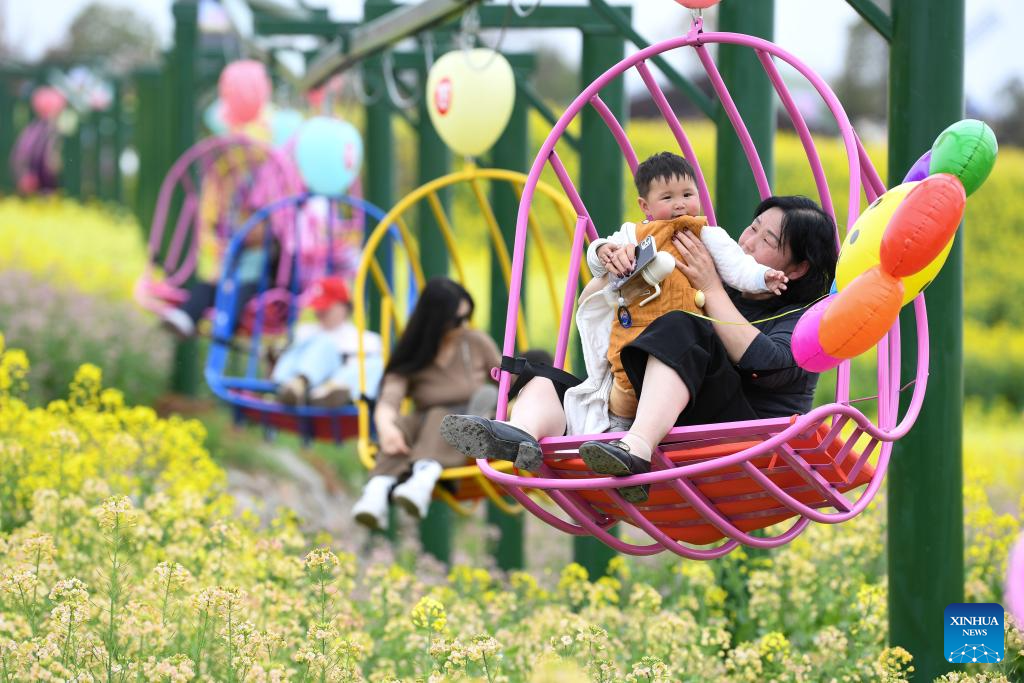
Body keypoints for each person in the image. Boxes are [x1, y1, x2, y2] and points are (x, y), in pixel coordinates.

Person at [441, 194, 838, 503]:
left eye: (766, 240)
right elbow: (614, 304)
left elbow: (768, 364)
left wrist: (712, 289)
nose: (746, 242)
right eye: (751, 228)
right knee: (544, 380)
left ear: (797, 268)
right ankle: (519, 437)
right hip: (671, 418)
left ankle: (637, 448)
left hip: (741, 443)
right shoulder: (717, 277)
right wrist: (618, 270)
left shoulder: (806, 317)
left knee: (683, 327)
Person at [583, 151, 789, 423]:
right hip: (632, 335)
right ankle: (615, 432)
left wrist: (763, 276)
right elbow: (599, 258)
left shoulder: (707, 234)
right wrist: (603, 251)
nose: (680, 205)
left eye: (687, 195)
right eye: (667, 198)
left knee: (676, 344)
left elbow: (737, 266)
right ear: (645, 205)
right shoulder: (633, 234)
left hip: (681, 343)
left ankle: (630, 434)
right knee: (624, 384)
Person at [351, 277, 501, 531]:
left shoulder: (475, 343)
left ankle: (423, 478)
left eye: (467, 317)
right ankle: (377, 490)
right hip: (425, 428)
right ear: (436, 322)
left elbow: (507, 380)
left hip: (470, 425)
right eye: (456, 320)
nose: (463, 326)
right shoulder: (417, 352)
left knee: (441, 416)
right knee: (405, 423)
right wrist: (388, 430)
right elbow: (391, 396)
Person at [271, 275, 384, 407]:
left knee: (377, 364)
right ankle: (299, 384)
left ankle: (327, 391)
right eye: (318, 306)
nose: (320, 311)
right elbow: (281, 370)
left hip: (347, 396)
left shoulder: (367, 340)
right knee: (324, 343)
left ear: (343, 306)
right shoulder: (305, 333)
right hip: (301, 392)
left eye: (326, 306)